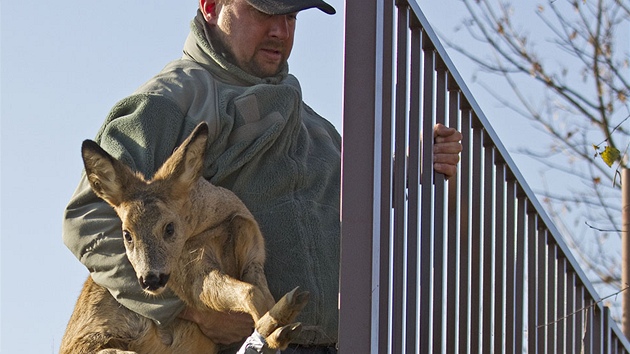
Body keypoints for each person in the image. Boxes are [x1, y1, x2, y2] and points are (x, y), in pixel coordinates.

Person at [62, 0, 463, 353]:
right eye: (262, 10)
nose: (280, 30)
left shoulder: (315, 127)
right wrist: (190, 310)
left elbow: (343, 205)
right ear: (211, 5)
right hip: (244, 347)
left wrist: (411, 166)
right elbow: (88, 220)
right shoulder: (172, 100)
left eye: (290, 16)